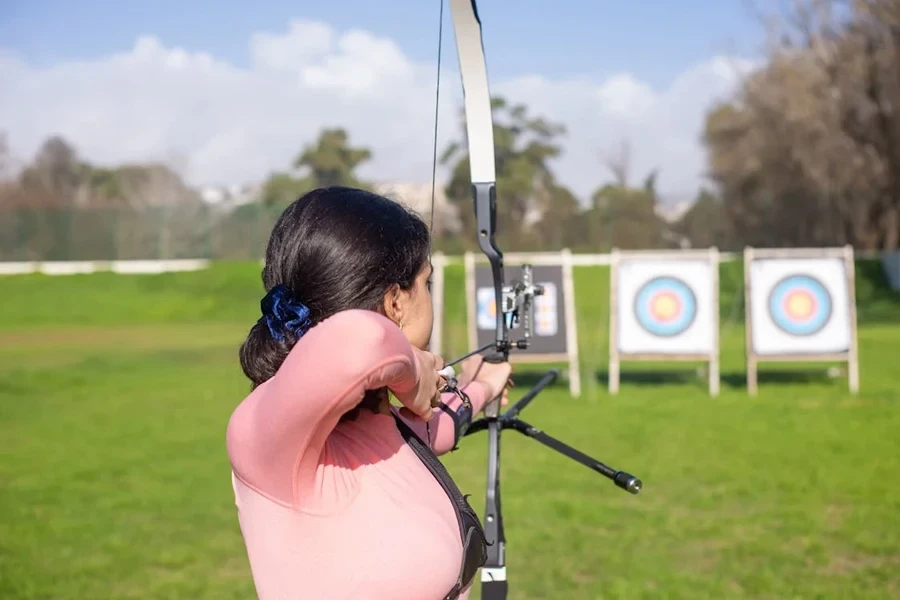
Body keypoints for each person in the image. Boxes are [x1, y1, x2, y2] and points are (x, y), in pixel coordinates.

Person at [226, 186, 513, 600]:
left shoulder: (384, 428)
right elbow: (357, 340)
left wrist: (482, 383)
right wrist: (415, 375)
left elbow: (434, 430)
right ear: (395, 302)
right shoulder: (265, 442)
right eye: (425, 281)